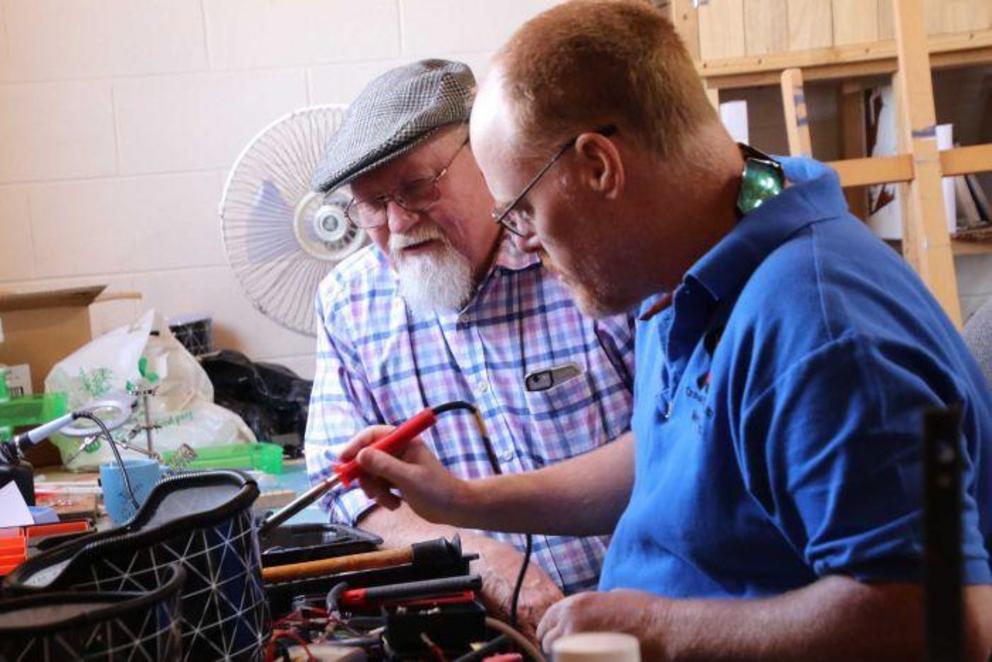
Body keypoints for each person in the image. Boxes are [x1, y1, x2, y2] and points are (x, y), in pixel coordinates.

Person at [338, 3, 992, 659]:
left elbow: (946, 624)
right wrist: (463, 501)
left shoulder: (825, 334)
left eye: (524, 211)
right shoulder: (705, 254)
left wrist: (667, 631)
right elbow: (669, 455)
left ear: (599, 166)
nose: (525, 243)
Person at [305, 59, 636, 633]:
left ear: (484, 156)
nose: (399, 221)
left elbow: (679, 438)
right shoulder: (349, 303)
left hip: (649, 611)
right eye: (371, 203)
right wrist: (482, 559)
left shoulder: (577, 256)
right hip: (483, 629)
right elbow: (344, 492)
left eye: (416, 187)